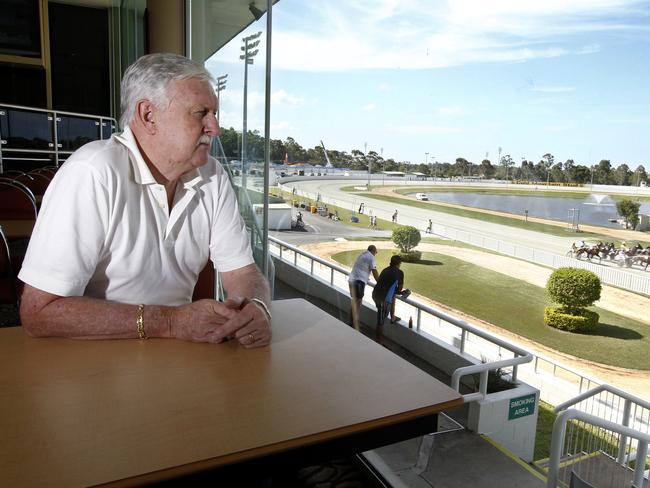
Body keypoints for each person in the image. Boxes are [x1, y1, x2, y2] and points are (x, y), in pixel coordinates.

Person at [18, 53, 271, 347]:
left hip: (178, 357)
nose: (215, 127)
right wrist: (169, 322)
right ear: (148, 116)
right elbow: (38, 312)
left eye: (215, 113)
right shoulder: (93, 172)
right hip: (92, 359)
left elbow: (242, 271)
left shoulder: (212, 175)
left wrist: (257, 306)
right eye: (200, 112)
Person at [372, 255, 408, 343]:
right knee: (381, 321)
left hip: (375, 295)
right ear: (399, 264)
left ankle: (392, 317)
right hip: (383, 299)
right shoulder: (400, 273)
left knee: (382, 318)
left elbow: (383, 283)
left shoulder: (385, 270)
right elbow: (399, 289)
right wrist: (403, 292)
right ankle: (378, 342)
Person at [348, 245, 379, 330]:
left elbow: (362, 268)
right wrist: (379, 283)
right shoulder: (371, 257)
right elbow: (374, 271)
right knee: (357, 303)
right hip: (358, 282)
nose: (376, 254)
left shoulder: (362, 255)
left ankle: (351, 322)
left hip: (352, 280)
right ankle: (354, 325)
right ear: (373, 251)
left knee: (355, 302)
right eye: (376, 252)